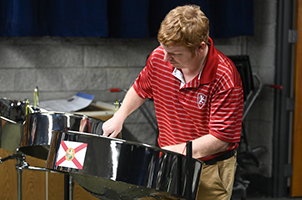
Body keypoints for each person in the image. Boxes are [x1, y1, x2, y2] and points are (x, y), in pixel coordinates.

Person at [102, 4, 243, 200]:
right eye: (164, 49)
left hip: (208, 168)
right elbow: (141, 87)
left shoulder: (225, 77)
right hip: (168, 161)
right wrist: (120, 115)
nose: (166, 58)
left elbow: (219, 139)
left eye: (176, 54)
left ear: (200, 48)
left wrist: (168, 152)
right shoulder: (160, 57)